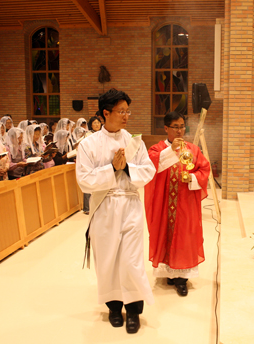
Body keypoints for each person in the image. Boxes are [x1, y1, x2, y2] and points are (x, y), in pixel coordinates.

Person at [76, 89, 156, 334]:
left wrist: (127, 169)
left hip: (130, 205)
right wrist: (111, 168)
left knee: (131, 261)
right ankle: (113, 306)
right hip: (104, 207)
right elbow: (84, 180)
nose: (126, 116)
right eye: (121, 111)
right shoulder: (88, 144)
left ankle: (133, 310)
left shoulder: (134, 141)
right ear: (105, 113)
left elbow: (148, 170)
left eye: (127, 111)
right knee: (108, 259)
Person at [144, 111, 210, 296]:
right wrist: (170, 150)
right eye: (176, 127)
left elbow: (205, 169)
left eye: (182, 126)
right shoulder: (157, 150)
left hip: (185, 204)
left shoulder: (192, 149)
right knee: (165, 234)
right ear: (166, 128)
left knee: (184, 236)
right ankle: (169, 273)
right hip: (164, 204)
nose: (180, 130)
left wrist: (192, 177)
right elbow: (151, 169)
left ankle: (182, 279)